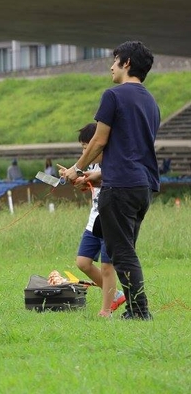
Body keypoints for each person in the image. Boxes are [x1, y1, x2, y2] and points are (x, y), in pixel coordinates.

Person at [61, 41, 160, 321]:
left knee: (122, 253)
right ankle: (135, 310)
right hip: (143, 187)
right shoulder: (151, 102)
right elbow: (134, 152)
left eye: (115, 60)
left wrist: (76, 169)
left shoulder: (113, 95)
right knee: (124, 249)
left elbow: (99, 140)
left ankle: (140, 312)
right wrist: (99, 174)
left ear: (127, 63)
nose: (111, 66)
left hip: (120, 189)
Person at [61, 123, 125, 317]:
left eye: (87, 147)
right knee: (83, 262)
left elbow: (110, 182)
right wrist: (75, 179)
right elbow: (92, 186)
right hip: (94, 220)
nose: (85, 152)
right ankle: (116, 294)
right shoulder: (92, 166)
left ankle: (106, 311)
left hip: (111, 220)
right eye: (82, 148)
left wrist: (87, 179)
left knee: (107, 266)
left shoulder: (113, 166)